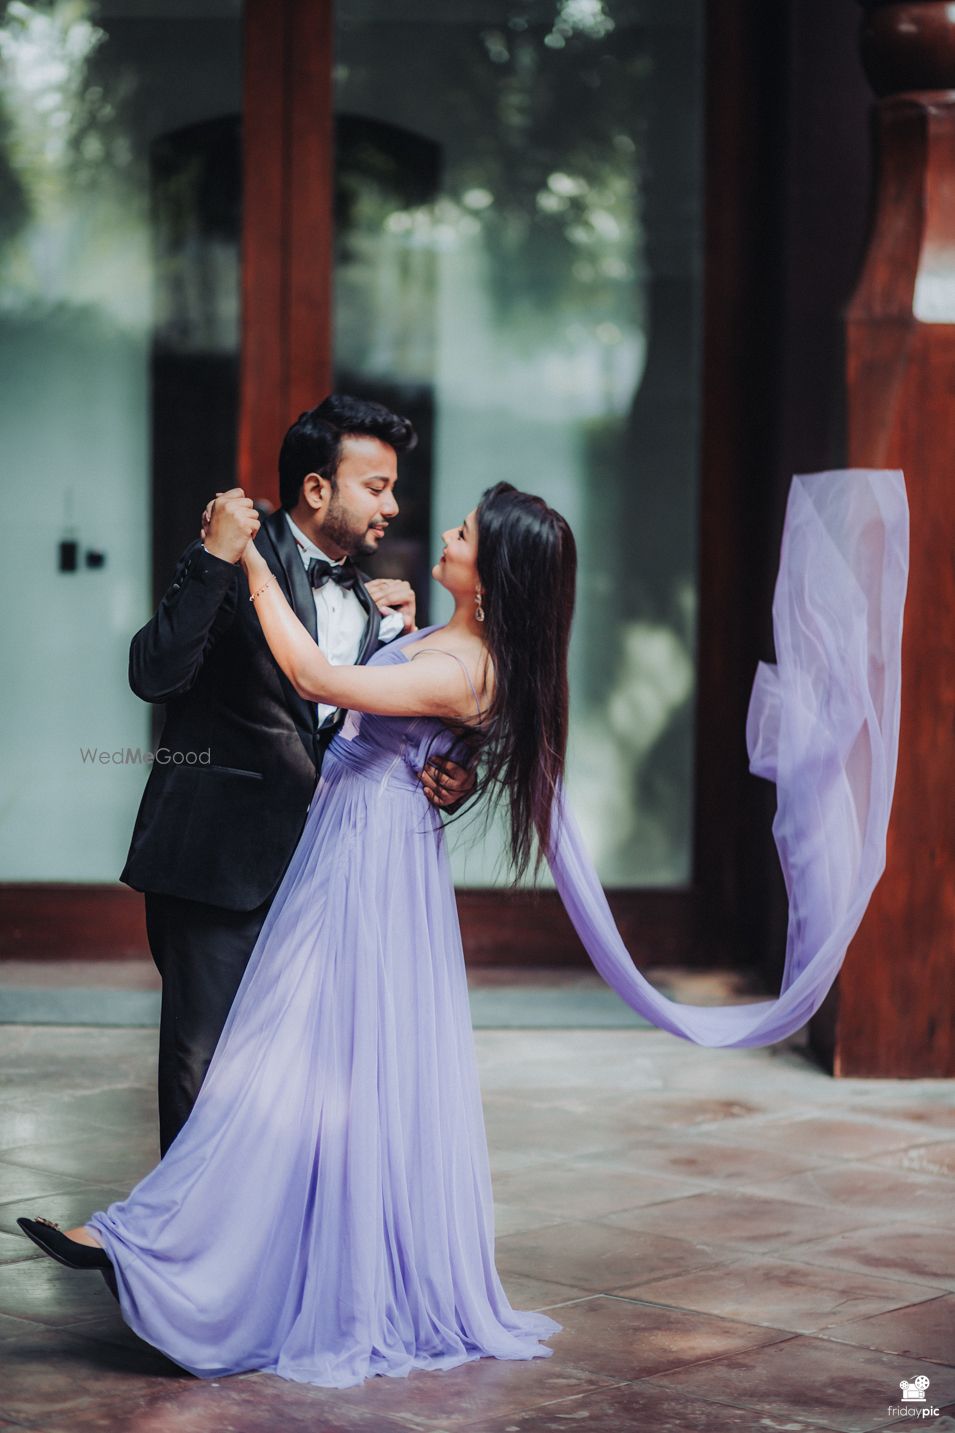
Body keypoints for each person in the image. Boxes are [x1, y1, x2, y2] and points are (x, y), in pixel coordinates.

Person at [18, 468, 908, 1390]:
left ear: (494, 576)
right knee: (289, 1064)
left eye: (467, 535)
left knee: (291, 1064)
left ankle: (187, 1253)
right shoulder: (449, 642)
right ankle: (193, 1249)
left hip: (366, 867)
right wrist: (403, 637)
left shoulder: (462, 668)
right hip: (353, 848)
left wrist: (248, 564)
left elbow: (317, 677)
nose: (446, 533)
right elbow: (400, 709)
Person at [118, 394, 473, 1155]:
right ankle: (181, 1237)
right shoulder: (232, 554)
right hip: (218, 864)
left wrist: (447, 770)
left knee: (300, 1084)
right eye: (375, 486)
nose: (393, 505)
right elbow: (153, 674)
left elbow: (370, 732)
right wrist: (215, 556)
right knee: (203, 1074)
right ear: (317, 488)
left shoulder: (380, 607)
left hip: (326, 878)